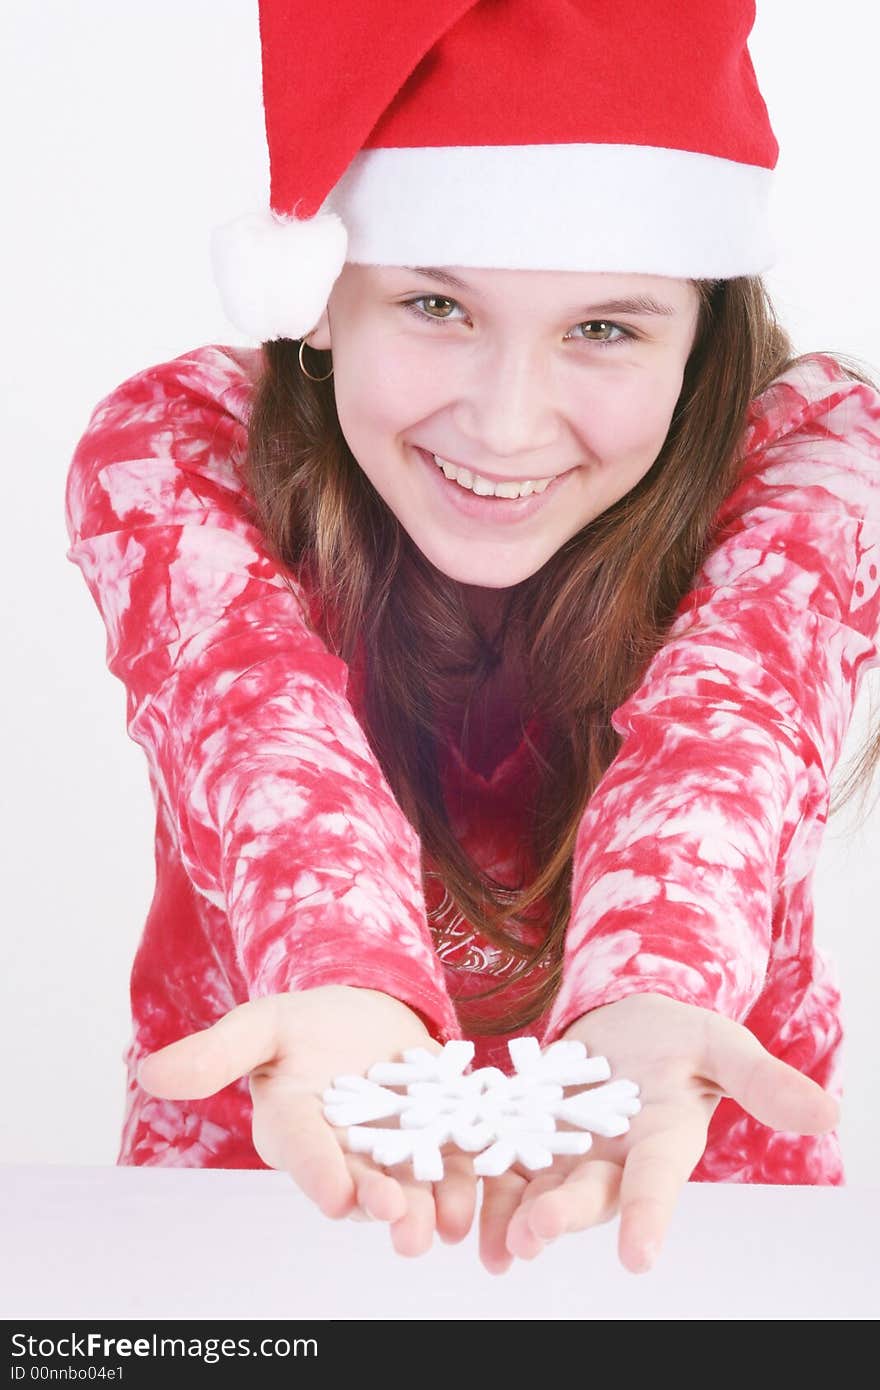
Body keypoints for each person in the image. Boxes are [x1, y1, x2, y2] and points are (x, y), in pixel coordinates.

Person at [64, 0, 880, 1278]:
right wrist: (347, 975)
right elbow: (260, 735)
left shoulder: (812, 465)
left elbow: (731, 737)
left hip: (683, 1202)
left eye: (603, 328)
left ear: (702, 331)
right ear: (321, 296)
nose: (504, 426)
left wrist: (648, 990)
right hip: (270, 1198)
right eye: (436, 304)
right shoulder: (178, 456)